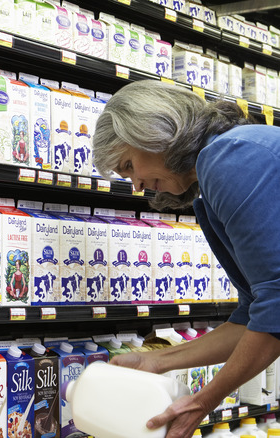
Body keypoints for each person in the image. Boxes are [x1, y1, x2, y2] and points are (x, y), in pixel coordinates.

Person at [91, 79, 280, 438]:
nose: (138, 185)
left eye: (130, 165)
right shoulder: (211, 184)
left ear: (155, 131)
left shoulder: (230, 158)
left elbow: (277, 306)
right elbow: (251, 316)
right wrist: (156, 360)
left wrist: (201, 402)